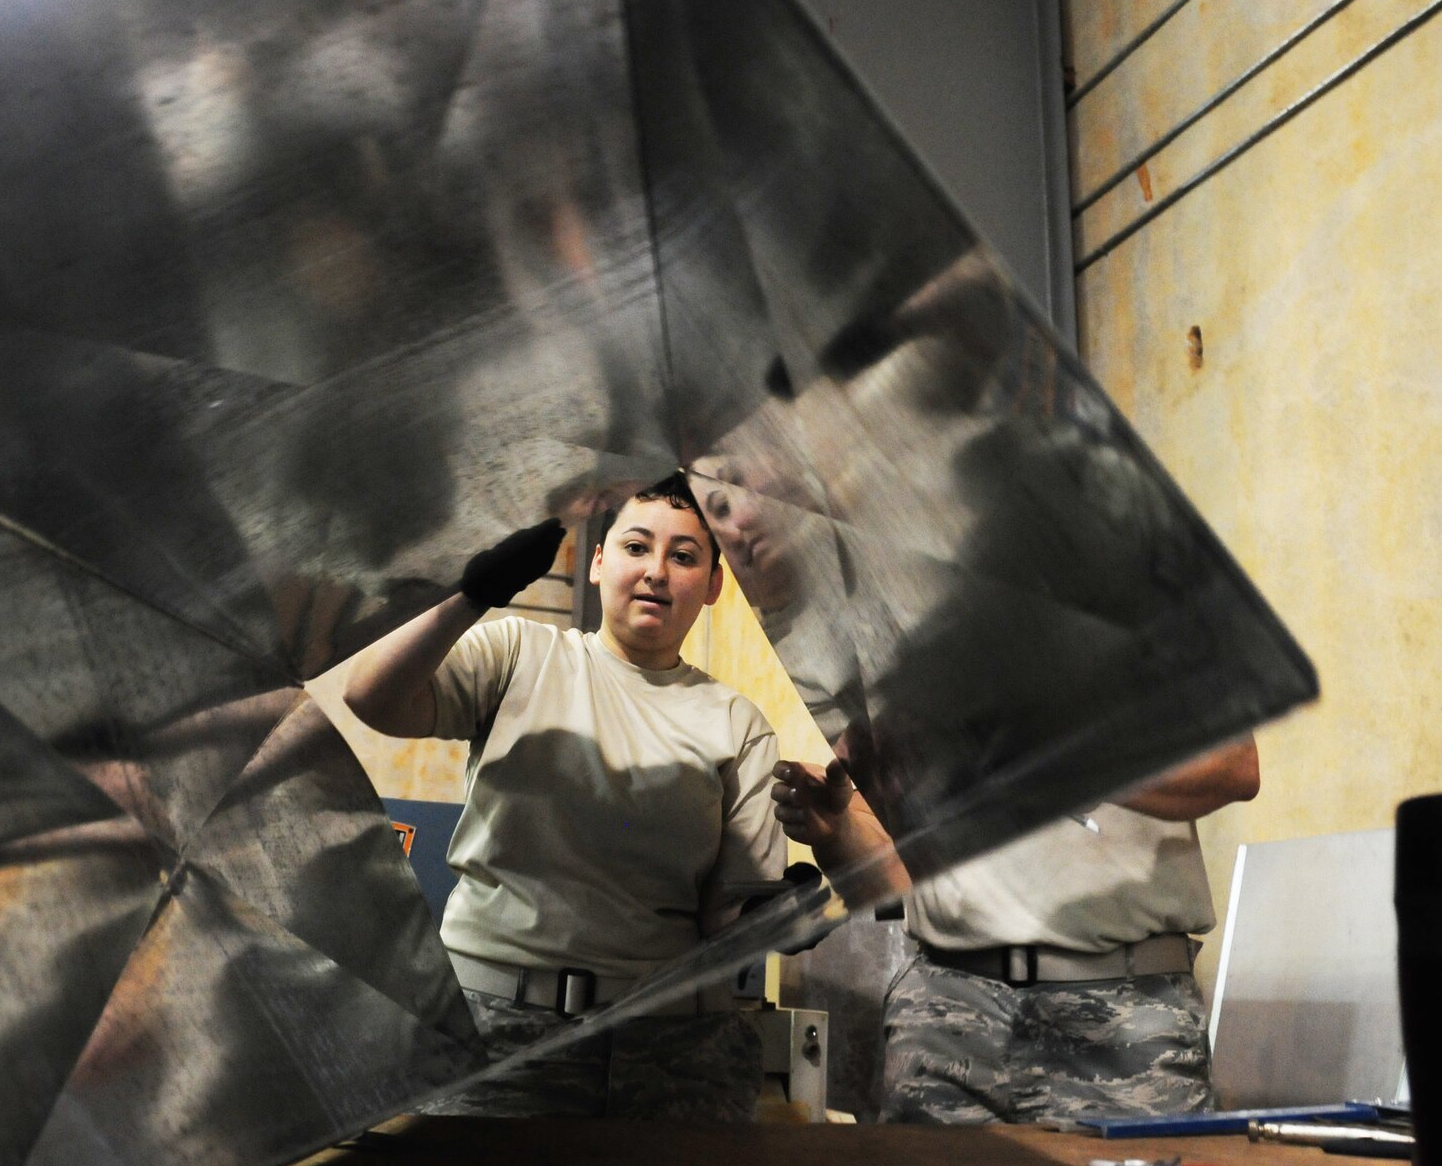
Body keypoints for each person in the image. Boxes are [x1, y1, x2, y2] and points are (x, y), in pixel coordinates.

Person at [344, 474, 785, 1121]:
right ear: (601, 561)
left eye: (684, 556)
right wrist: (471, 595)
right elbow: (371, 697)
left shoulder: (738, 723)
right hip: (495, 1032)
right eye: (636, 547)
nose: (656, 571)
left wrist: (780, 906)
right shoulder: (521, 652)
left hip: (670, 1053)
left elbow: (728, 921)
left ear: (715, 584)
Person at [773, 734, 1259, 1125]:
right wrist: (837, 831)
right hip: (945, 1008)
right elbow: (895, 881)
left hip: (1121, 1011)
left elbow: (1234, 766)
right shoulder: (916, 643)